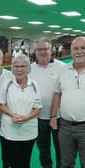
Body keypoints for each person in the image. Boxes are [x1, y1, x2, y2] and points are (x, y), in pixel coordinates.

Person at [0, 55, 42, 168]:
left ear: (28, 68)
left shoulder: (34, 84)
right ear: (12, 68)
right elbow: (1, 104)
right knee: (12, 162)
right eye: (16, 66)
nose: (19, 69)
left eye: (22, 66)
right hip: (10, 132)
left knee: (25, 162)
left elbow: (38, 108)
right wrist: (13, 115)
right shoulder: (7, 83)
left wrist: (25, 118)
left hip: (28, 132)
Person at [50, 36, 85, 167]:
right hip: (65, 127)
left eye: (83, 48)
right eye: (76, 48)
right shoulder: (63, 70)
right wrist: (53, 116)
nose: (79, 51)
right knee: (66, 163)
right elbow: (57, 93)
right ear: (71, 52)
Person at [30, 40, 65, 168]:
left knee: (61, 148)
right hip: (38, 117)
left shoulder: (61, 67)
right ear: (35, 52)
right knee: (43, 149)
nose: (43, 52)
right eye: (39, 49)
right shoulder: (30, 68)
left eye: (46, 49)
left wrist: (54, 115)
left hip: (59, 117)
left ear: (51, 50)